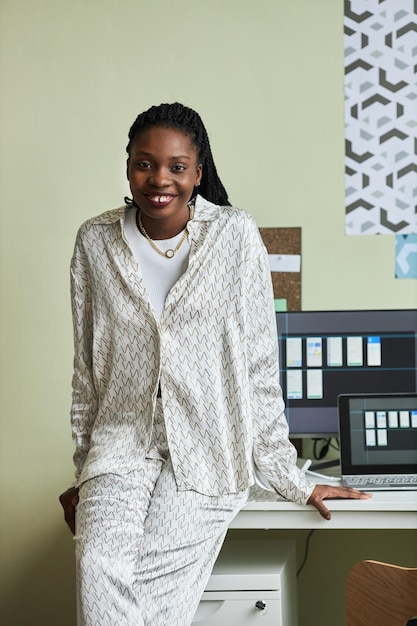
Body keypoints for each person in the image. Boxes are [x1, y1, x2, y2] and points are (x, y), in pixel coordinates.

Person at [59, 102, 371, 625]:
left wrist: (286, 474)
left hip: (207, 447)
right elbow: (86, 370)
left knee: (154, 600)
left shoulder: (234, 236)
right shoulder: (95, 241)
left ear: (198, 173)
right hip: (119, 444)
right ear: (128, 165)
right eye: (145, 163)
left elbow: (256, 364)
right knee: (97, 566)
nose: (160, 179)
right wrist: (86, 472)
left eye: (177, 167)